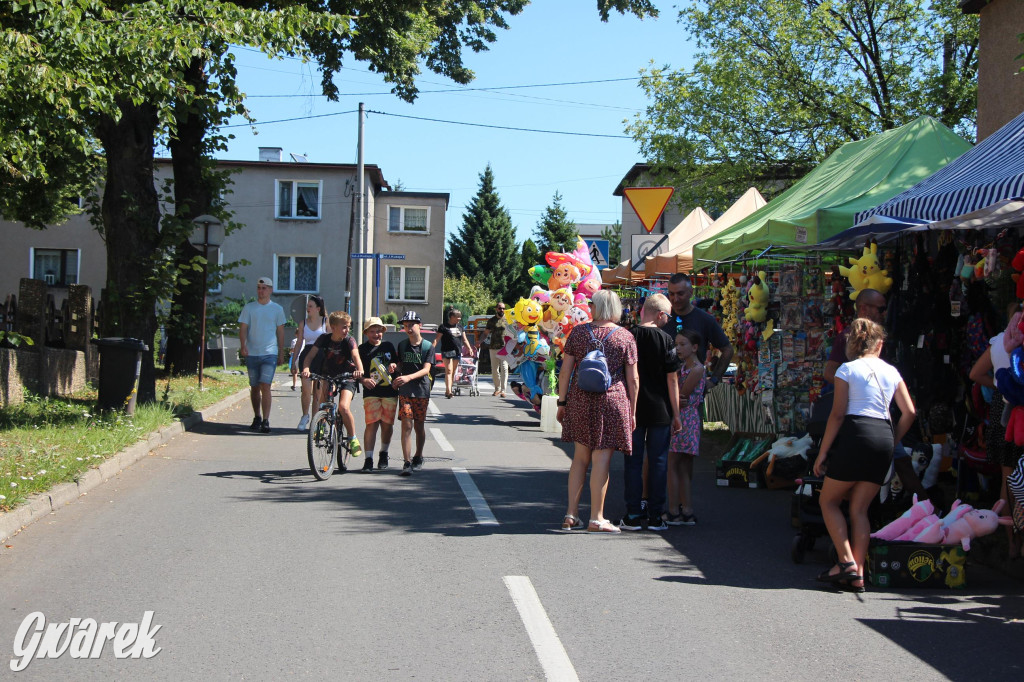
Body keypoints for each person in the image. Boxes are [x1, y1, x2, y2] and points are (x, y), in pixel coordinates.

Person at [813, 318, 916, 593]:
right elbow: (910, 413)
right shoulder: (892, 371)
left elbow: (837, 414)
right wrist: (893, 440)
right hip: (883, 435)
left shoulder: (847, 369)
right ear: (879, 344)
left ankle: (845, 561)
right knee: (860, 509)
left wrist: (822, 453)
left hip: (855, 433)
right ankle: (857, 573)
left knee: (829, 501)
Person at [823, 288, 928, 500]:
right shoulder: (848, 337)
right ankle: (927, 512)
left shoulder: (877, 337)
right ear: (864, 308)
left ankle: (928, 512)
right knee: (892, 463)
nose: (883, 313)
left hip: (879, 416)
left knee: (901, 462)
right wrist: (854, 384)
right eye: (880, 308)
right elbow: (829, 372)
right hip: (858, 418)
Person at [556, 289, 639, 533]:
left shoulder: (579, 332)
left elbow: (565, 372)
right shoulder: (625, 336)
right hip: (612, 400)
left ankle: (571, 514)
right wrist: (633, 409)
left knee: (580, 458)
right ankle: (596, 517)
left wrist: (562, 402)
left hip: (580, 399)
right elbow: (633, 379)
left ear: (595, 307)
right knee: (601, 459)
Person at [620, 293, 681, 531]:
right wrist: (676, 414)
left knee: (633, 462)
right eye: (667, 316)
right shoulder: (667, 340)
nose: (668, 320)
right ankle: (656, 515)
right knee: (658, 462)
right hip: (660, 409)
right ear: (660, 315)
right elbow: (672, 380)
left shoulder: (628, 336)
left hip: (631, 407)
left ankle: (633, 513)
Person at [301, 311, 364, 462]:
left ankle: (352, 438)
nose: (347, 330)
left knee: (343, 407)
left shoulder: (349, 341)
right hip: (329, 375)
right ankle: (321, 425)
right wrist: (306, 368)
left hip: (347, 377)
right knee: (324, 403)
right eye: (344, 327)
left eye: (348, 327)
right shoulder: (323, 339)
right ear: (333, 327)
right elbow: (310, 356)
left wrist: (360, 370)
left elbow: (356, 356)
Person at [662, 273, 733, 387]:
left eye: (680, 293)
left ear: (691, 292)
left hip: (694, 394)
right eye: (671, 294)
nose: (675, 299)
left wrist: (714, 380)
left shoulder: (705, 319)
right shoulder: (662, 318)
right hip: (664, 391)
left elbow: (728, 349)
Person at [667, 329, 706, 526]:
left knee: (674, 463)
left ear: (695, 347)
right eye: (677, 344)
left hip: (686, 419)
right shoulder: (683, 367)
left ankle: (674, 510)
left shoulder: (697, 369)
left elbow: (681, 395)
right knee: (682, 466)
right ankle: (686, 509)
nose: (678, 348)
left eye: (683, 344)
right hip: (685, 417)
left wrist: (673, 399)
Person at [238, 276, 286, 433]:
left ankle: (266, 420)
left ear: (270, 290)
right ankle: (257, 416)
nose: (261, 290)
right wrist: (243, 345)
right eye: (259, 288)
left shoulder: (277, 309)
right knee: (254, 386)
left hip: (269, 353)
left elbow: (280, 331)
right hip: (252, 352)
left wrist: (280, 352)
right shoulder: (249, 308)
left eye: (264, 288)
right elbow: (243, 327)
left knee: (266, 385)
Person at [393, 311, 433, 476]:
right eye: (406, 326)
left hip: (421, 390)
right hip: (406, 391)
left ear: (419, 325)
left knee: (419, 425)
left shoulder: (427, 346)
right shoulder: (402, 345)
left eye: (411, 325)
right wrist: (395, 368)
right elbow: (400, 364)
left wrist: (408, 377)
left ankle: (418, 455)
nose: (409, 328)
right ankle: (407, 461)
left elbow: (426, 370)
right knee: (406, 424)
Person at [358, 316, 399, 473]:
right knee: (371, 424)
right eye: (373, 331)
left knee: (387, 425)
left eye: (379, 331)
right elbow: (357, 373)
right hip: (371, 392)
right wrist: (364, 380)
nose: (376, 334)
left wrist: (395, 366)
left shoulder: (388, 346)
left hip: (389, 391)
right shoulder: (362, 349)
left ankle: (384, 453)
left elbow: (397, 365)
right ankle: (368, 459)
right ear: (366, 333)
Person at [290, 295, 329, 431]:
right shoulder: (303, 323)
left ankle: (316, 420)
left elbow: (330, 341)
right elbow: (299, 342)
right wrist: (294, 361)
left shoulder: (325, 322)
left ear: (318, 309)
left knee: (318, 392)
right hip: (306, 355)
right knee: (306, 390)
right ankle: (305, 415)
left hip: (321, 356)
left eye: (310, 306)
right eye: (307, 306)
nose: (308, 309)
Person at [434, 306, 474, 398]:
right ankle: (448, 391)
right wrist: (432, 348)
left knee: (453, 372)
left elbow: (464, 339)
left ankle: (449, 389)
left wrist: (469, 348)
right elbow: (437, 339)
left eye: (460, 317)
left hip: (457, 351)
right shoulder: (443, 327)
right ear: (451, 317)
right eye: (457, 317)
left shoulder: (460, 327)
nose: (459, 319)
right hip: (447, 351)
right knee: (448, 370)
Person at [479, 302, 509, 397]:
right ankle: (497, 389)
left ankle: (503, 390)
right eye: (500, 308)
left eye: (503, 308)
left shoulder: (508, 319)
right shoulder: (492, 320)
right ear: (496, 309)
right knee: (494, 369)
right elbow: (485, 333)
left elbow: (514, 332)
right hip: (493, 347)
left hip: (505, 347)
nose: (502, 310)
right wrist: (479, 341)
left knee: (504, 368)